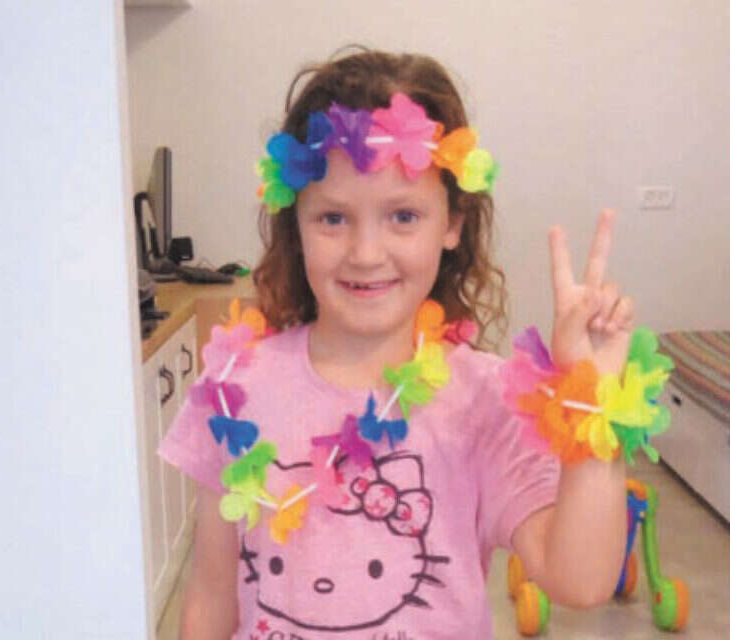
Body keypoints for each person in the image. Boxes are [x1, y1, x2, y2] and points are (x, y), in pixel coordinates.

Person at [159, 49, 634, 639]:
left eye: (403, 216)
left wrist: (592, 395)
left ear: (452, 223)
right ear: (295, 224)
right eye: (333, 218)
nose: (366, 253)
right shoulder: (235, 388)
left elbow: (581, 582)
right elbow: (210, 600)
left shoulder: (482, 398)